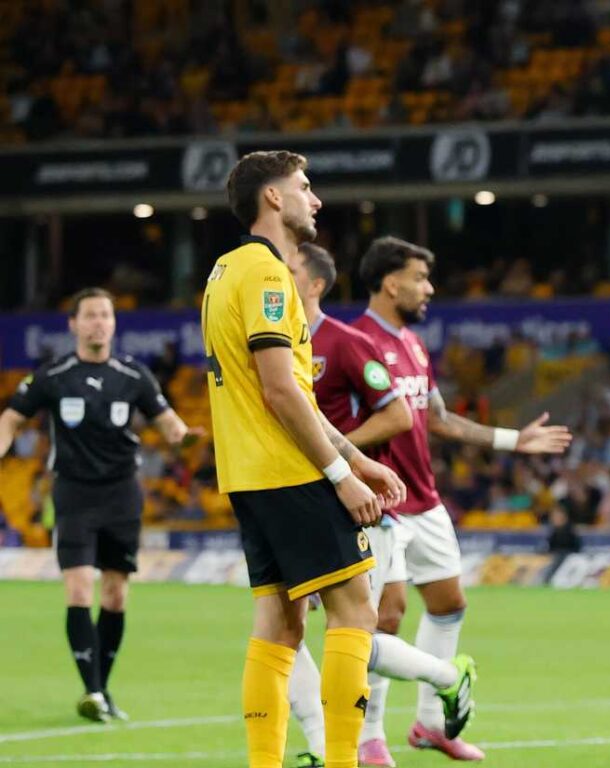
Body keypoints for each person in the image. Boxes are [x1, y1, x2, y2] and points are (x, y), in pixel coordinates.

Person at [205, 150, 407, 768]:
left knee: (280, 625)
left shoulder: (222, 271)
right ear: (273, 198)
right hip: (288, 469)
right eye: (304, 186)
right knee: (355, 610)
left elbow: (290, 389)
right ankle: (345, 761)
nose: (314, 199)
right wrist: (343, 476)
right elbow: (281, 391)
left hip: (247, 476)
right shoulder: (269, 275)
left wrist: (356, 455)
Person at [353, 235, 573, 761]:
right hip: (380, 499)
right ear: (390, 283)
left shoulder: (412, 344)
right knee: (385, 617)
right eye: (420, 279)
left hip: (423, 499)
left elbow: (439, 419)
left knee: (449, 603)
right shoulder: (353, 342)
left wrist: (512, 440)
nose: (429, 289)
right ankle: (369, 736)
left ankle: (431, 725)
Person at [284, 243, 476, 768]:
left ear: (316, 283)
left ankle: (373, 734)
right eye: (420, 276)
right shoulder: (282, 342)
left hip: (353, 497)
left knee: (348, 624)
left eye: (290, 269)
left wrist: (338, 457)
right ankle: (349, 742)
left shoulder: (347, 343)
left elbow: (405, 417)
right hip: (303, 496)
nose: (278, 276)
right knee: (300, 624)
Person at [0, 288, 199, 722]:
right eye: (90, 316)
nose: (99, 323)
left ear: (114, 323)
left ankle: (102, 690)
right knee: (77, 588)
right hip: (73, 494)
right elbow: (12, 417)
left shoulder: (134, 375)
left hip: (122, 494)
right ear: (72, 324)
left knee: (115, 594)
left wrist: (193, 436)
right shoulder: (53, 375)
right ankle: (92, 689)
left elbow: (171, 427)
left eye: (106, 315)